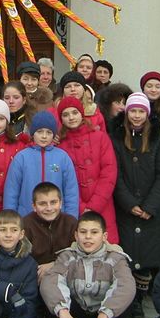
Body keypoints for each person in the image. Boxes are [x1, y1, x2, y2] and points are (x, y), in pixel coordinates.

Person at [40, 211, 135, 318]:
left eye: (94, 232)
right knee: (53, 300)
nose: (88, 237)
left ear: (104, 236)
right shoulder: (66, 256)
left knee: (125, 302)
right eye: (83, 232)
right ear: (76, 235)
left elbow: (125, 286)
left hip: (103, 317)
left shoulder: (116, 259)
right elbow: (51, 281)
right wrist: (62, 311)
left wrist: (105, 315)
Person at [110, 92, 160, 318]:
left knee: (145, 256)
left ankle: (140, 297)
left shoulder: (156, 138)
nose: (136, 116)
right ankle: (129, 298)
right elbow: (114, 173)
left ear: (147, 113)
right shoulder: (116, 137)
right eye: (133, 111)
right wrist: (129, 203)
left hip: (150, 207)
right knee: (127, 254)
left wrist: (149, 205)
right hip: (126, 207)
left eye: (141, 111)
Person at [56, 96, 118, 243]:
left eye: (74, 112)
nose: (71, 117)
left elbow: (109, 172)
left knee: (105, 248)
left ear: (81, 114)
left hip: (102, 204)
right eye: (65, 114)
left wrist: (94, 205)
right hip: (74, 207)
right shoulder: (60, 144)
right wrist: (80, 206)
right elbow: (62, 180)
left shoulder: (100, 137)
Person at [3, 111, 79, 218]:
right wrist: (10, 218)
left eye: (48, 132)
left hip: (57, 217)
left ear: (54, 134)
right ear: (33, 133)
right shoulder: (21, 157)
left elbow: (71, 191)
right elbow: (12, 191)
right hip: (26, 217)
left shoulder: (62, 157)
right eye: (40, 132)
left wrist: (71, 218)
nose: (44, 136)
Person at [22, 182, 78, 283]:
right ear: (34, 206)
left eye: (53, 202)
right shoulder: (25, 224)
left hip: (67, 275)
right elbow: (21, 258)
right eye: (42, 204)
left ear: (60, 203)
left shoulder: (71, 222)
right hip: (35, 276)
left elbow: (78, 253)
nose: (49, 208)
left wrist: (54, 265)